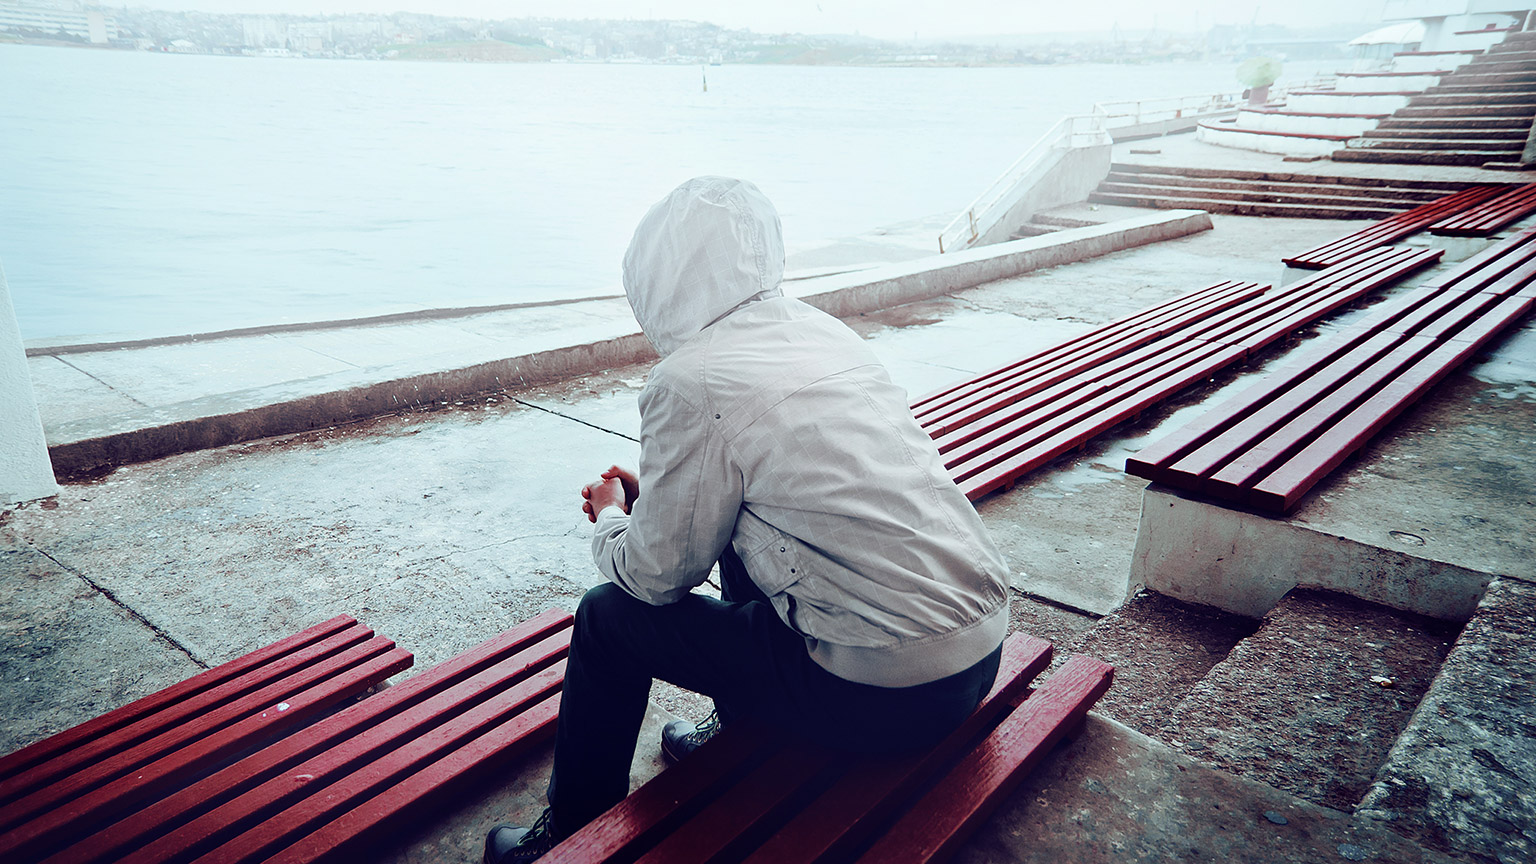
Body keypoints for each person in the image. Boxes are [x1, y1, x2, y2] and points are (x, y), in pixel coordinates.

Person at [485, 177, 1011, 863]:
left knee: (605, 618)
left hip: (882, 694)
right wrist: (675, 496)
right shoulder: (822, 332)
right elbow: (789, 488)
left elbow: (653, 581)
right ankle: (742, 724)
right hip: (978, 655)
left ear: (657, 276)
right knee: (734, 536)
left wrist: (612, 519)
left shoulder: (690, 377)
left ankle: (569, 832)